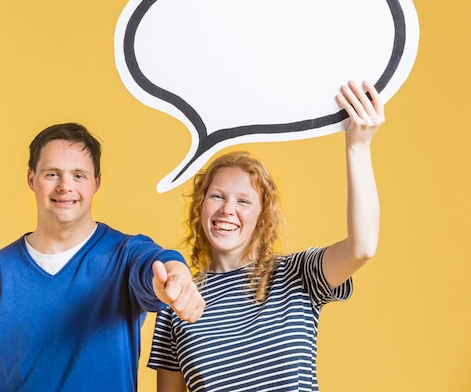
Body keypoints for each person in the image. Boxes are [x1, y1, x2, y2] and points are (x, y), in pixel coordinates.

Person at [148, 81, 384, 392]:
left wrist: (358, 145)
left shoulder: (297, 275)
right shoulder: (176, 303)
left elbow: (362, 248)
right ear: (200, 206)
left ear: (262, 217)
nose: (227, 210)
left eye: (244, 201)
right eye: (217, 196)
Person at [0, 122, 205, 392]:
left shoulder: (124, 256)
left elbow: (157, 263)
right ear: (31, 179)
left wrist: (178, 276)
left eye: (79, 175)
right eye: (52, 174)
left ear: (97, 182)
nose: (65, 186)